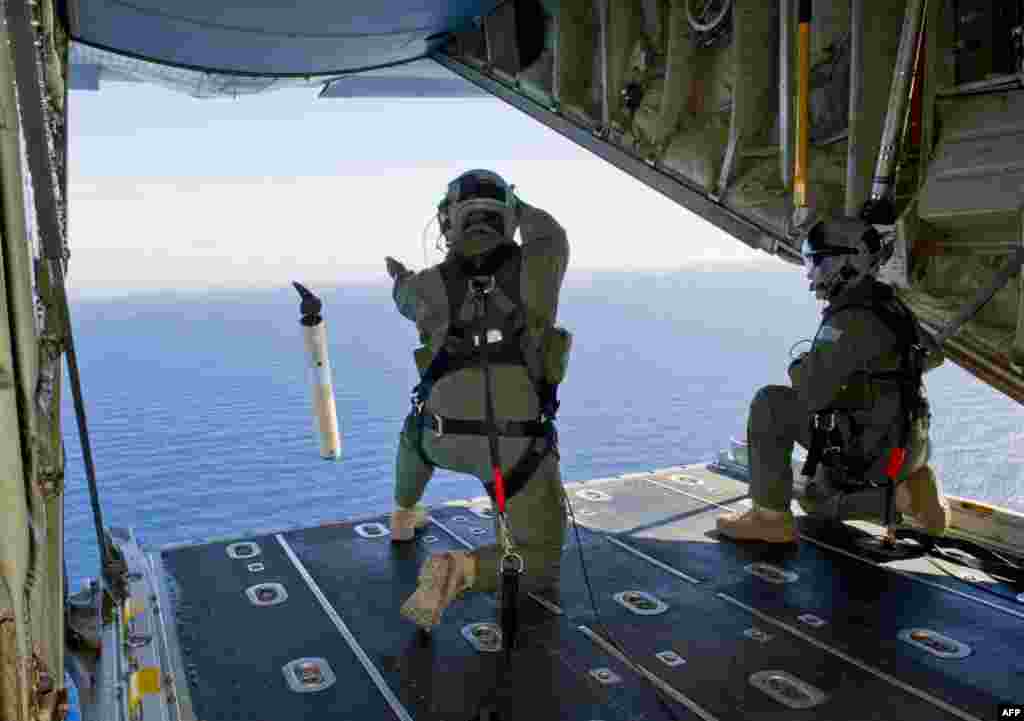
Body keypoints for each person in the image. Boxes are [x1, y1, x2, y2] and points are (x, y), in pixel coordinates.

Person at [385, 169, 571, 630]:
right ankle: (463, 570)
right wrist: (518, 204)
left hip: (441, 438)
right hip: (515, 449)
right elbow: (550, 231)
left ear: (449, 223)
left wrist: (402, 277)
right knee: (541, 561)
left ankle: (403, 516)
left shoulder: (426, 286)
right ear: (507, 218)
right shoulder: (541, 265)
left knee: (413, 432)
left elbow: (403, 297)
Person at [717, 216, 950, 544]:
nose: (811, 272)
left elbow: (811, 393)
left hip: (872, 453)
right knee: (820, 479)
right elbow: (933, 355)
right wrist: (872, 385)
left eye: (817, 261)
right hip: (910, 444)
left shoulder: (849, 319)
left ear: (846, 263)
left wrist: (800, 366)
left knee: (772, 405)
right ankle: (914, 483)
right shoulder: (893, 308)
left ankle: (771, 519)